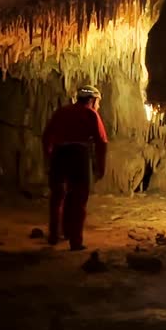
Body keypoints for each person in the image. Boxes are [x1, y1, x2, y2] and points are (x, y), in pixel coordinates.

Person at [42, 85, 108, 250]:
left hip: (59, 154)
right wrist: (101, 166)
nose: (98, 106)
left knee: (58, 196)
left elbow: (46, 136)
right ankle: (75, 240)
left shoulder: (61, 112)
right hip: (78, 154)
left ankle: (54, 235)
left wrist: (50, 156)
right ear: (92, 100)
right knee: (78, 198)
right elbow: (101, 141)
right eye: (98, 102)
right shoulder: (90, 113)